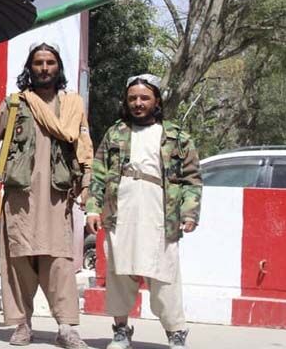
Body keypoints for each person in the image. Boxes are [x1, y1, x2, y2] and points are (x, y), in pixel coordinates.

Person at [0, 42, 93, 348]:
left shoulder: (72, 105)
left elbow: (84, 149)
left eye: (50, 62)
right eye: (39, 62)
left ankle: (67, 327)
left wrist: (87, 186)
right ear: (30, 68)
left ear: (59, 68)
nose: (44, 68)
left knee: (60, 262)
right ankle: (21, 324)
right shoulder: (15, 103)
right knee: (18, 261)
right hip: (20, 198)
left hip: (57, 197)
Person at [85, 74, 202, 349]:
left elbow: (192, 178)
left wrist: (190, 213)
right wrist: (93, 208)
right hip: (121, 210)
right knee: (119, 272)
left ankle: (176, 332)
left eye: (144, 98)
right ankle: (121, 330)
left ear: (156, 100)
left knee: (164, 273)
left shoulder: (176, 136)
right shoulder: (115, 132)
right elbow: (99, 173)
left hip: (160, 212)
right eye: (133, 98)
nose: (138, 103)